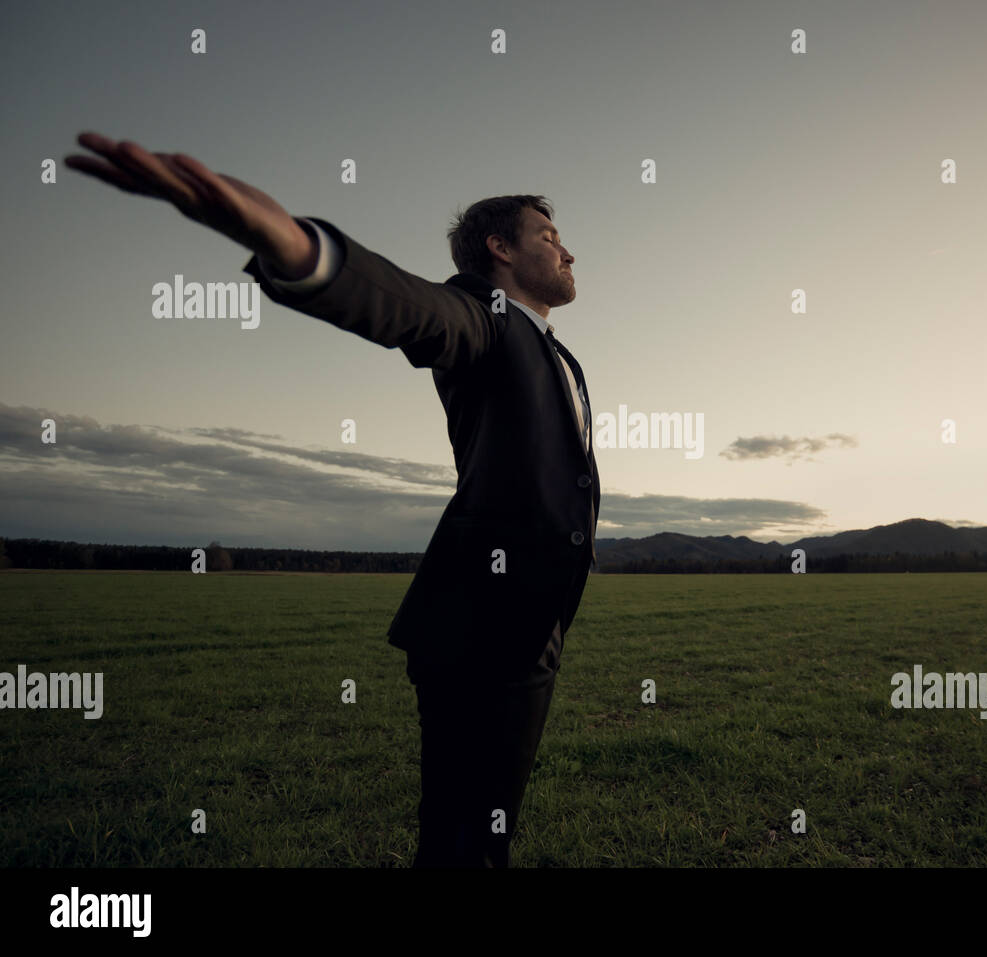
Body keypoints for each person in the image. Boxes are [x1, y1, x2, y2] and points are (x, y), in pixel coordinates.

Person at [65, 133, 600, 867]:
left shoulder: (551, 348)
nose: (568, 252)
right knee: (467, 836)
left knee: (481, 828)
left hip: (525, 628)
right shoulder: (482, 317)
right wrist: (296, 247)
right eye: (550, 236)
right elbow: (411, 309)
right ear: (499, 248)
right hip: (480, 630)